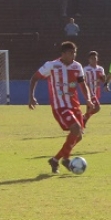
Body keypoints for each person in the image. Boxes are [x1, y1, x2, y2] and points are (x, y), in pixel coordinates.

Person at [28, 41, 94, 174]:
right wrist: (31, 97)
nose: (73, 55)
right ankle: (65, 159)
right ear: (63, 54)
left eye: (74, 52)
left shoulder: (77, 66)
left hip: (74, 105)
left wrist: (87, 99)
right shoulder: (52, 65)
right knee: (75, 129)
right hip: (60, 106)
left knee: (79, 136)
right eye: (70, 53)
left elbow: (82, 84)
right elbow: (34, 78)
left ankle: (55, 159)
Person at [83, 50, 105, 124]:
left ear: (97, 59)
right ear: (89, 60)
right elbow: (82, 80)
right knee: (97, 108)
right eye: (92, 58)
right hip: (89, 91)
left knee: (89, 109)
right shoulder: (85, 69)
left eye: (95, 58)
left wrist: (103, 79)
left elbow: (103, 80)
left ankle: (82, 124)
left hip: (96, 91)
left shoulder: (100, 69)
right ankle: (83, 117)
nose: (93, 60)